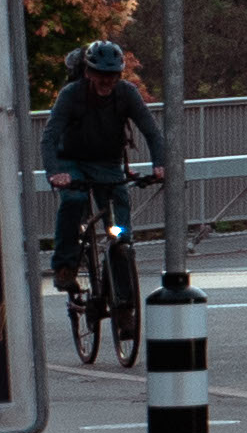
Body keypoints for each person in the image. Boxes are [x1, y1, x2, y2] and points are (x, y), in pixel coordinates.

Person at [46, 36, 174, 294]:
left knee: (119, 230)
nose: (107, 80)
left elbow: (152, 132)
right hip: (71, 160)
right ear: (88, 72)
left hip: (107, 162)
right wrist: (55, 172)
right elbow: (49, 137)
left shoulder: (126, 93)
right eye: (101, 74)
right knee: (73, 200)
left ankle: (124, 303)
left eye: (113, 75)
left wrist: (160, 164)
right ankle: (64, 266)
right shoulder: (72, 94)